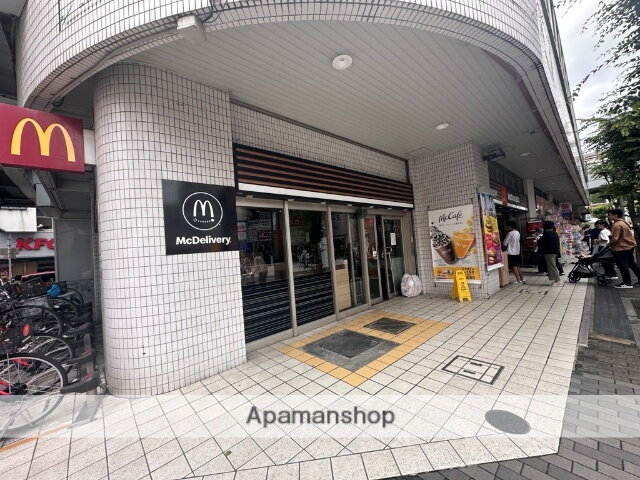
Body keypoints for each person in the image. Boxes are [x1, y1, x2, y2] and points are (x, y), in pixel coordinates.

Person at [607, 208, 640, 288]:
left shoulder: (617, 225)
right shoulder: (624, 222)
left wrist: (608, 245)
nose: (608, 216)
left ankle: (627, 283)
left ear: (615, 215)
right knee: (632, 264)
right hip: (629, 246)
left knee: (623, 265)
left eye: (610, 215)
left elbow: (615, 238)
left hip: (621, 247)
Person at [538, 220, 563, 286]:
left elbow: (540, 242)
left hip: (549, 252)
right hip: (555, 252)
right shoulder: (554, 233)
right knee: (553, 265)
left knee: (551, 266)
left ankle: (558, 281)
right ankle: (557, 280)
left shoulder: (547, 234)